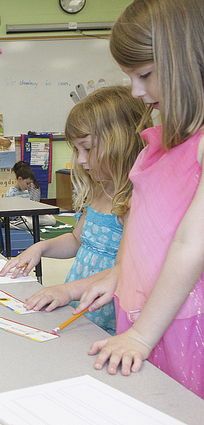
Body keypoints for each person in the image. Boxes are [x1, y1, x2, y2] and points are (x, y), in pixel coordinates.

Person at [74, 0, 204, 397]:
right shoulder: (156, 145)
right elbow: (143, 232)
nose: (136, 91)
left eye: (145, 74)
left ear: (185, 59)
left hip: (177, 323)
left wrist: (143, 336)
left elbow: (189, 245)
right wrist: (117, 274)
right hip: (139, 315)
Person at [0, 86, 149, 336]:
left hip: (110, 318)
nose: (80, 160)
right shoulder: (100, 190)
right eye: (77, 149)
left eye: (88, 148)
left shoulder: (134, 200)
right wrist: (40, 248)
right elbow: (76, 240)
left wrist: (67, 290)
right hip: (81, 311)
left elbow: (124, 270)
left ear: (121, 142)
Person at [5, 161, 56, 228]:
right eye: (27, 183)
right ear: (19, 179)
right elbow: (10, 214)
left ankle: (32, 222)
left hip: (30, 216)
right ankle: (8, 225)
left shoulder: (26, 191)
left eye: (29, 184)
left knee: (52, 220)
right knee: (30, 224)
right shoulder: (11, 192)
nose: (28, 186)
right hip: (20, 218)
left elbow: (31, 205)